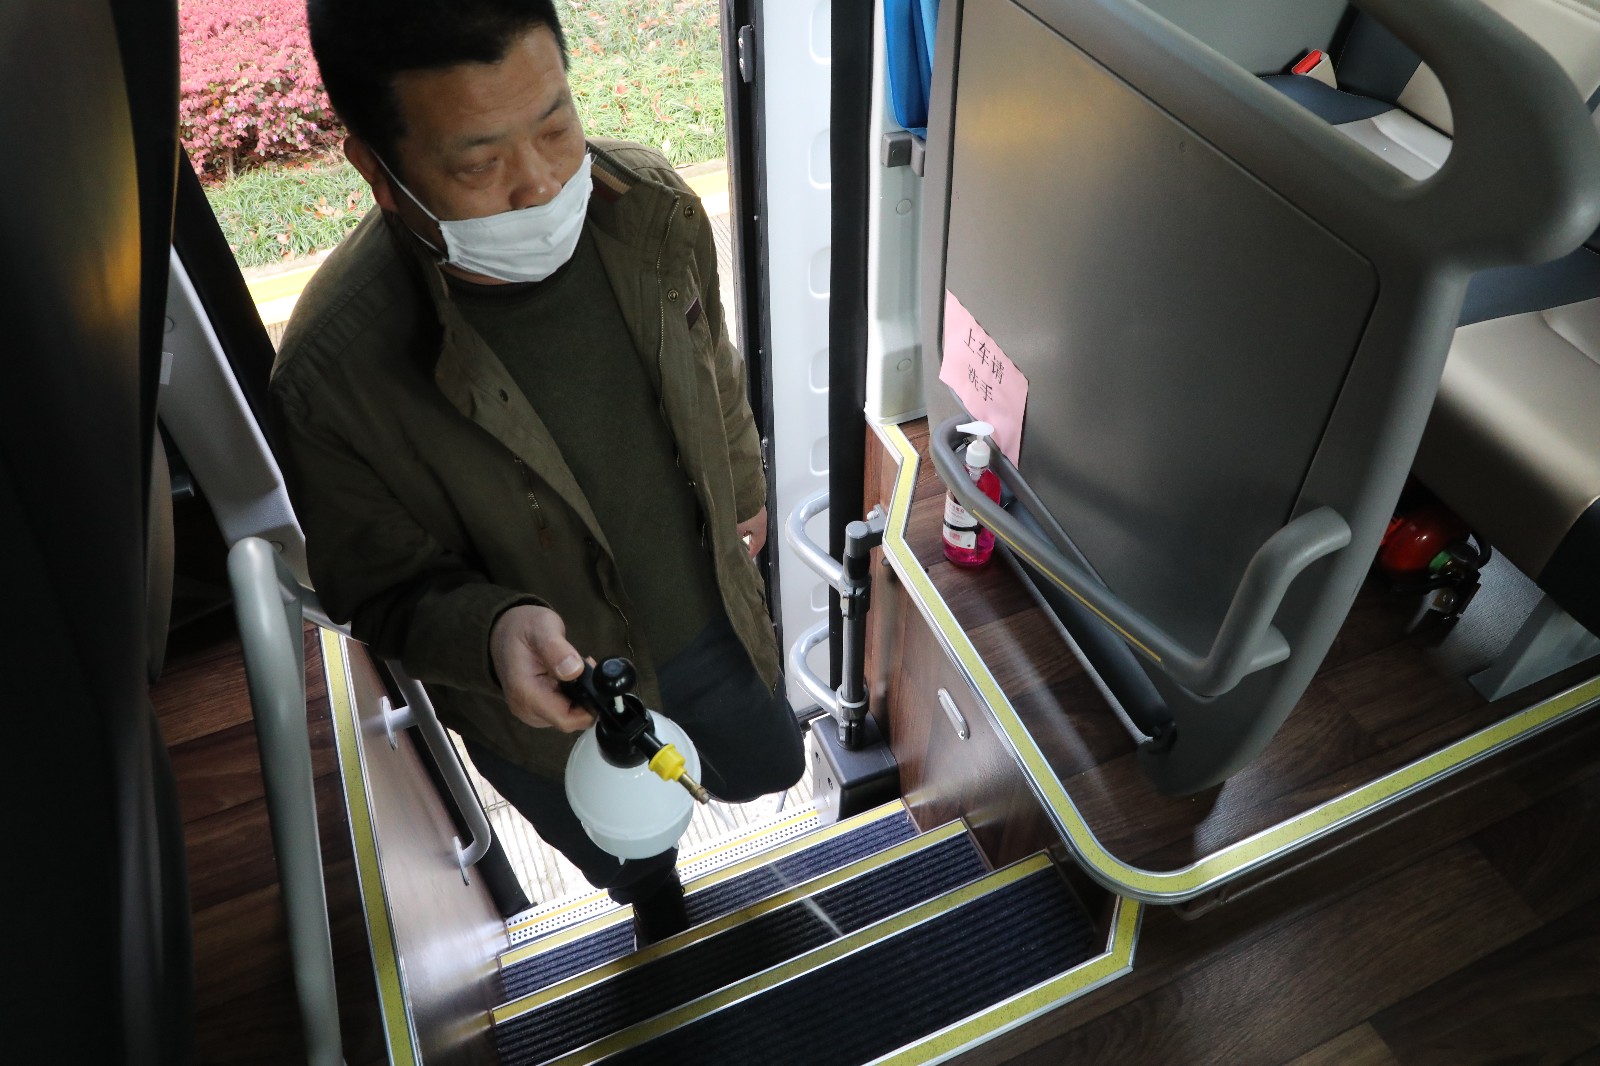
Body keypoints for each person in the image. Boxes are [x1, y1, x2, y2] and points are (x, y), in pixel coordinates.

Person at [276, 0, 805, 946]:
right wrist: (490, 632)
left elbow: (711, 366)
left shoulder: (651, 210)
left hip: (709, 619)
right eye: (479, 163)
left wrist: (745, 484)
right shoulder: (333, 379)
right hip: (554, 715)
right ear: (378, 173)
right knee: (629, 852)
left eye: (557, 126)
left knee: (763, 761)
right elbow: (382, 591)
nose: (542, 183)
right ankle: (657, 909)